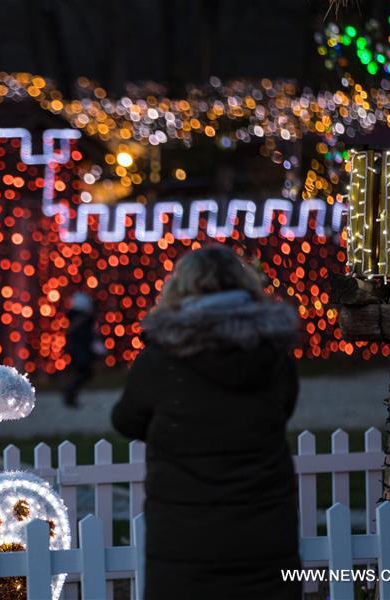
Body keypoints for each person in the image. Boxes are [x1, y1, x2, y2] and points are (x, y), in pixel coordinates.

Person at [111, 245, 301, 600]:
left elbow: (126, 420)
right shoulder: (273, 353)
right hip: (264, 525)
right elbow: (283, 409)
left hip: (184, 533)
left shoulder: (161, 358)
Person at [62, 292, 97, 408]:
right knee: (83, 372)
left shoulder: (76, 319)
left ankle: (70, 394)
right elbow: (86, 336)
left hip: (78, 350)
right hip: (80, 351)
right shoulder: (83, 320)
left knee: (81, 373)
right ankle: (69, 393)